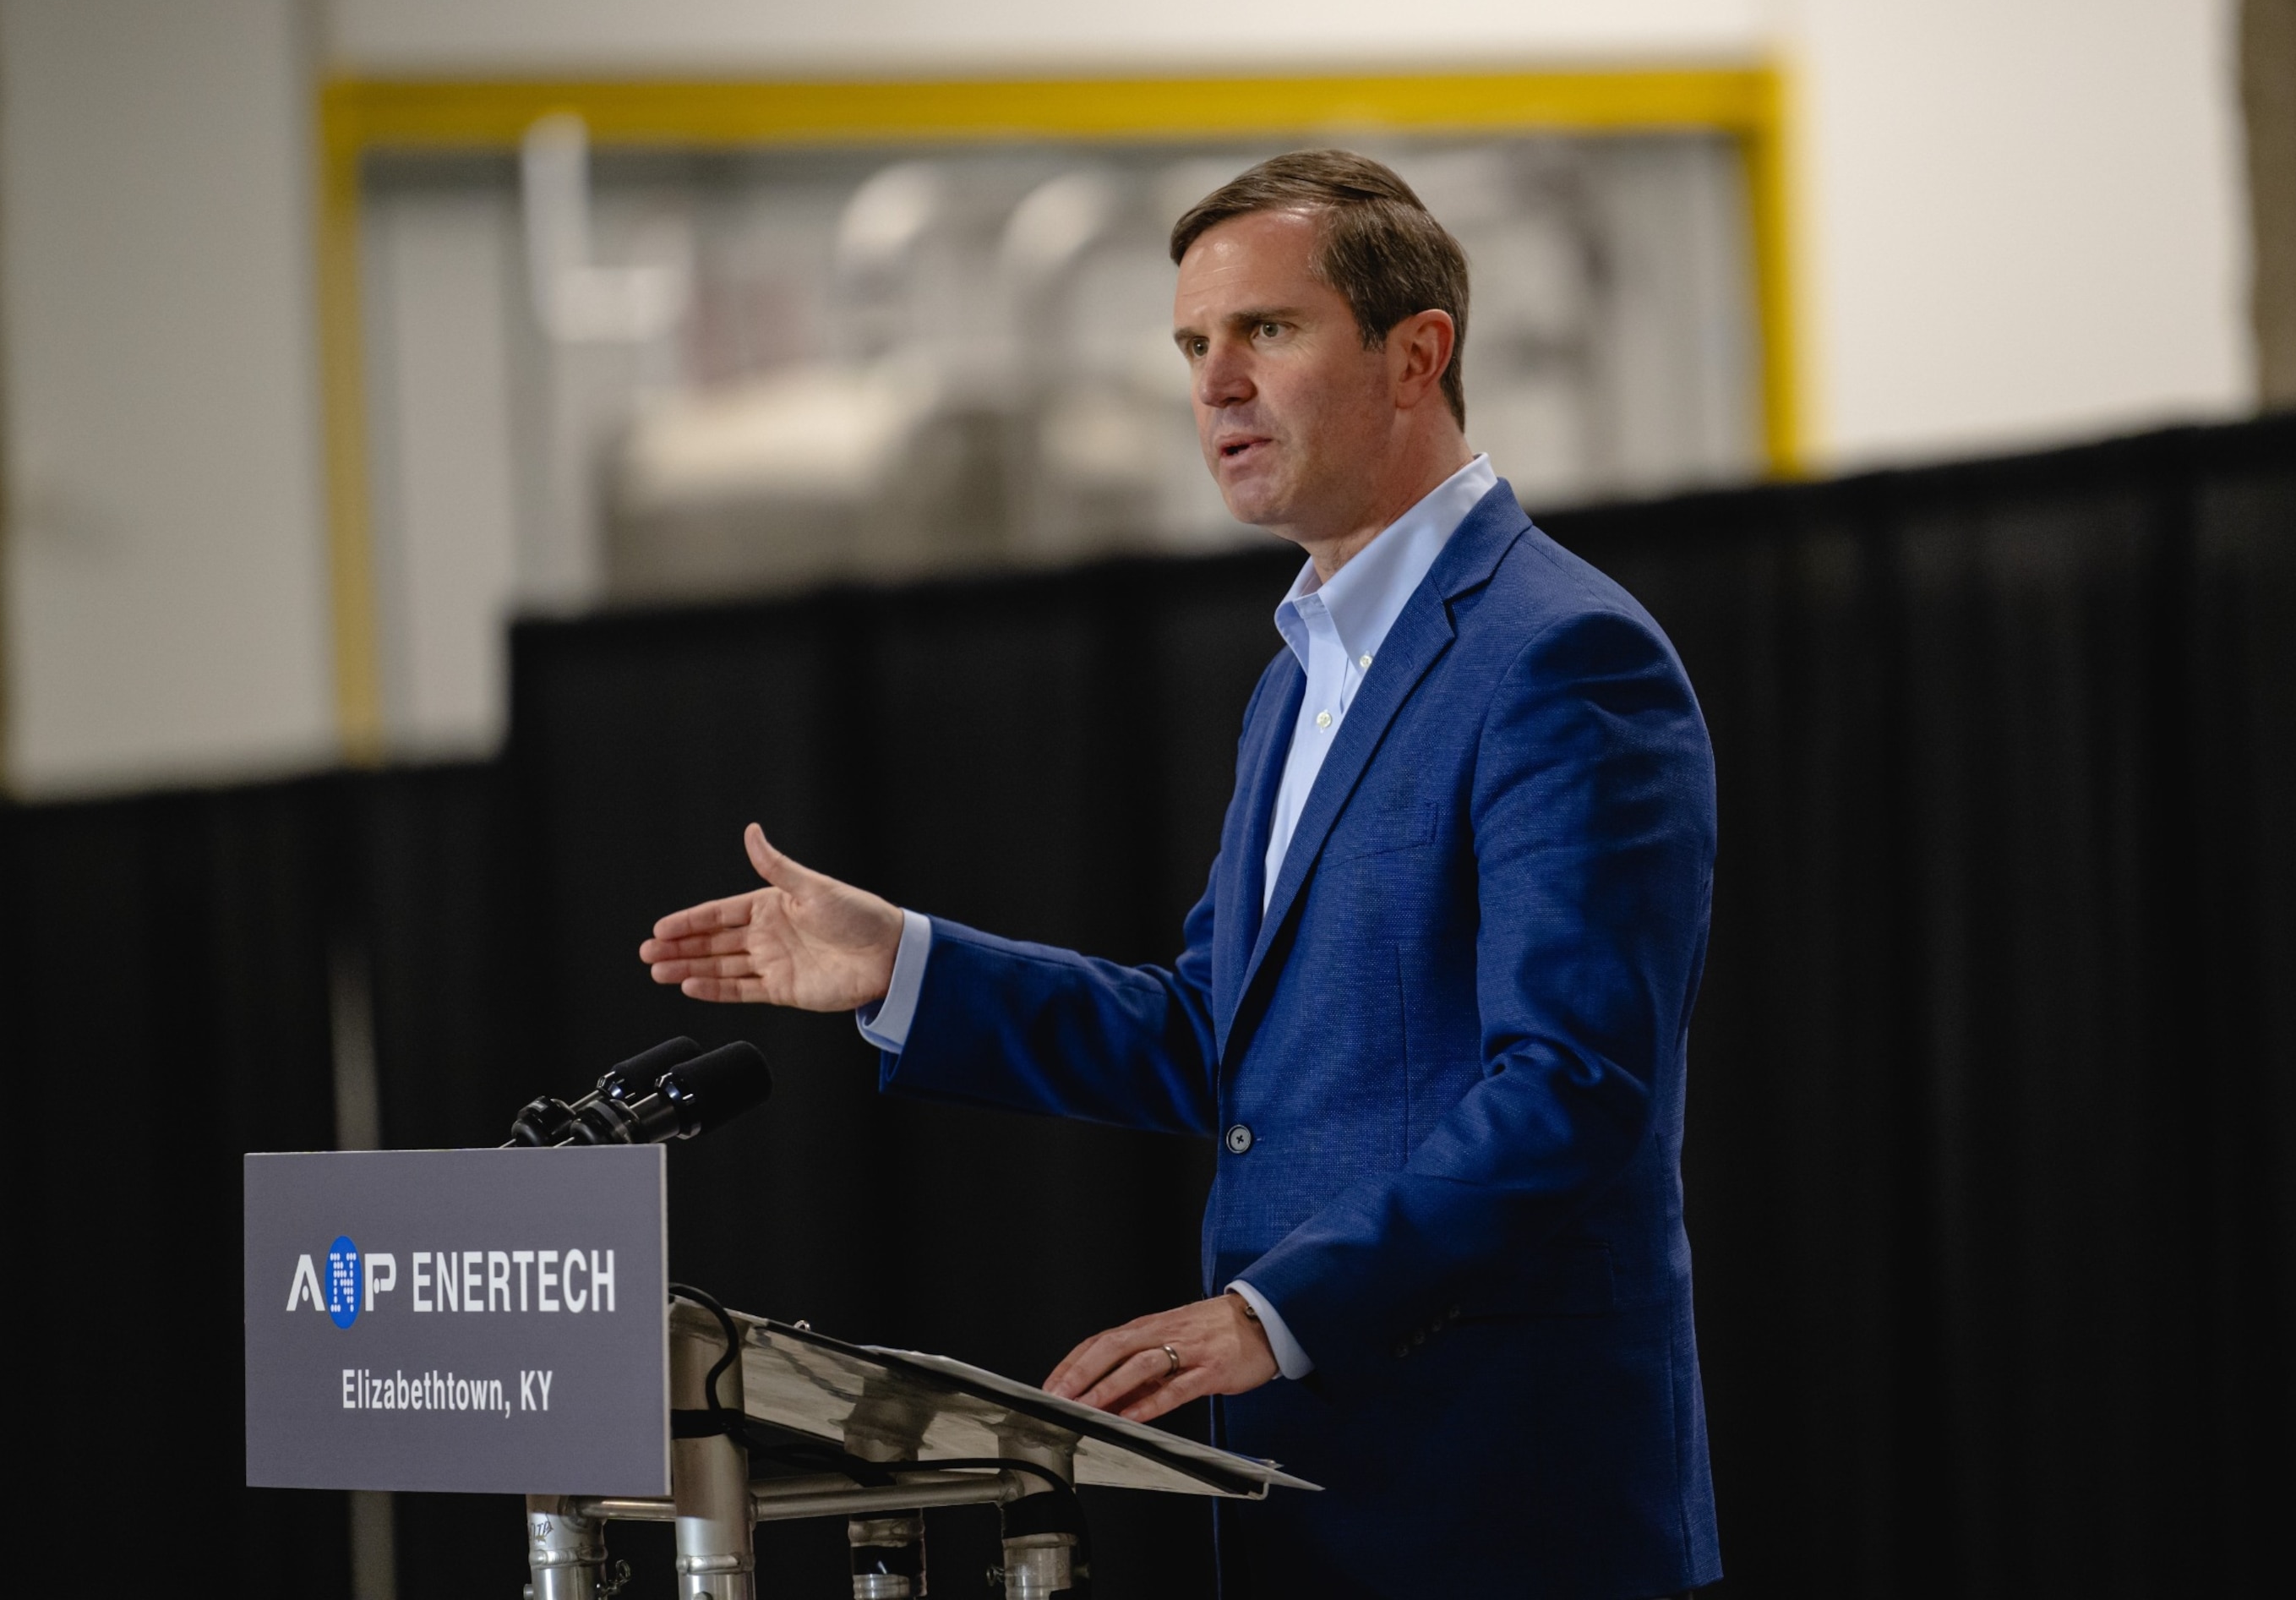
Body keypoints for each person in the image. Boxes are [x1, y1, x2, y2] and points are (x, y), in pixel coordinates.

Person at [640, 150, 1721, 1597]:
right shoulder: (1300, 684)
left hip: (1507, 1507)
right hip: (1307, 1500)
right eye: (1190, 346)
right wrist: (905, 966)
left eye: (1265, 332)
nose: (1212, 383)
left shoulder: (1560, 657)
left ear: (1419, 355)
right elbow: (1216, 1041)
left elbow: (1576, 1090)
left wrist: (1275, 1316)